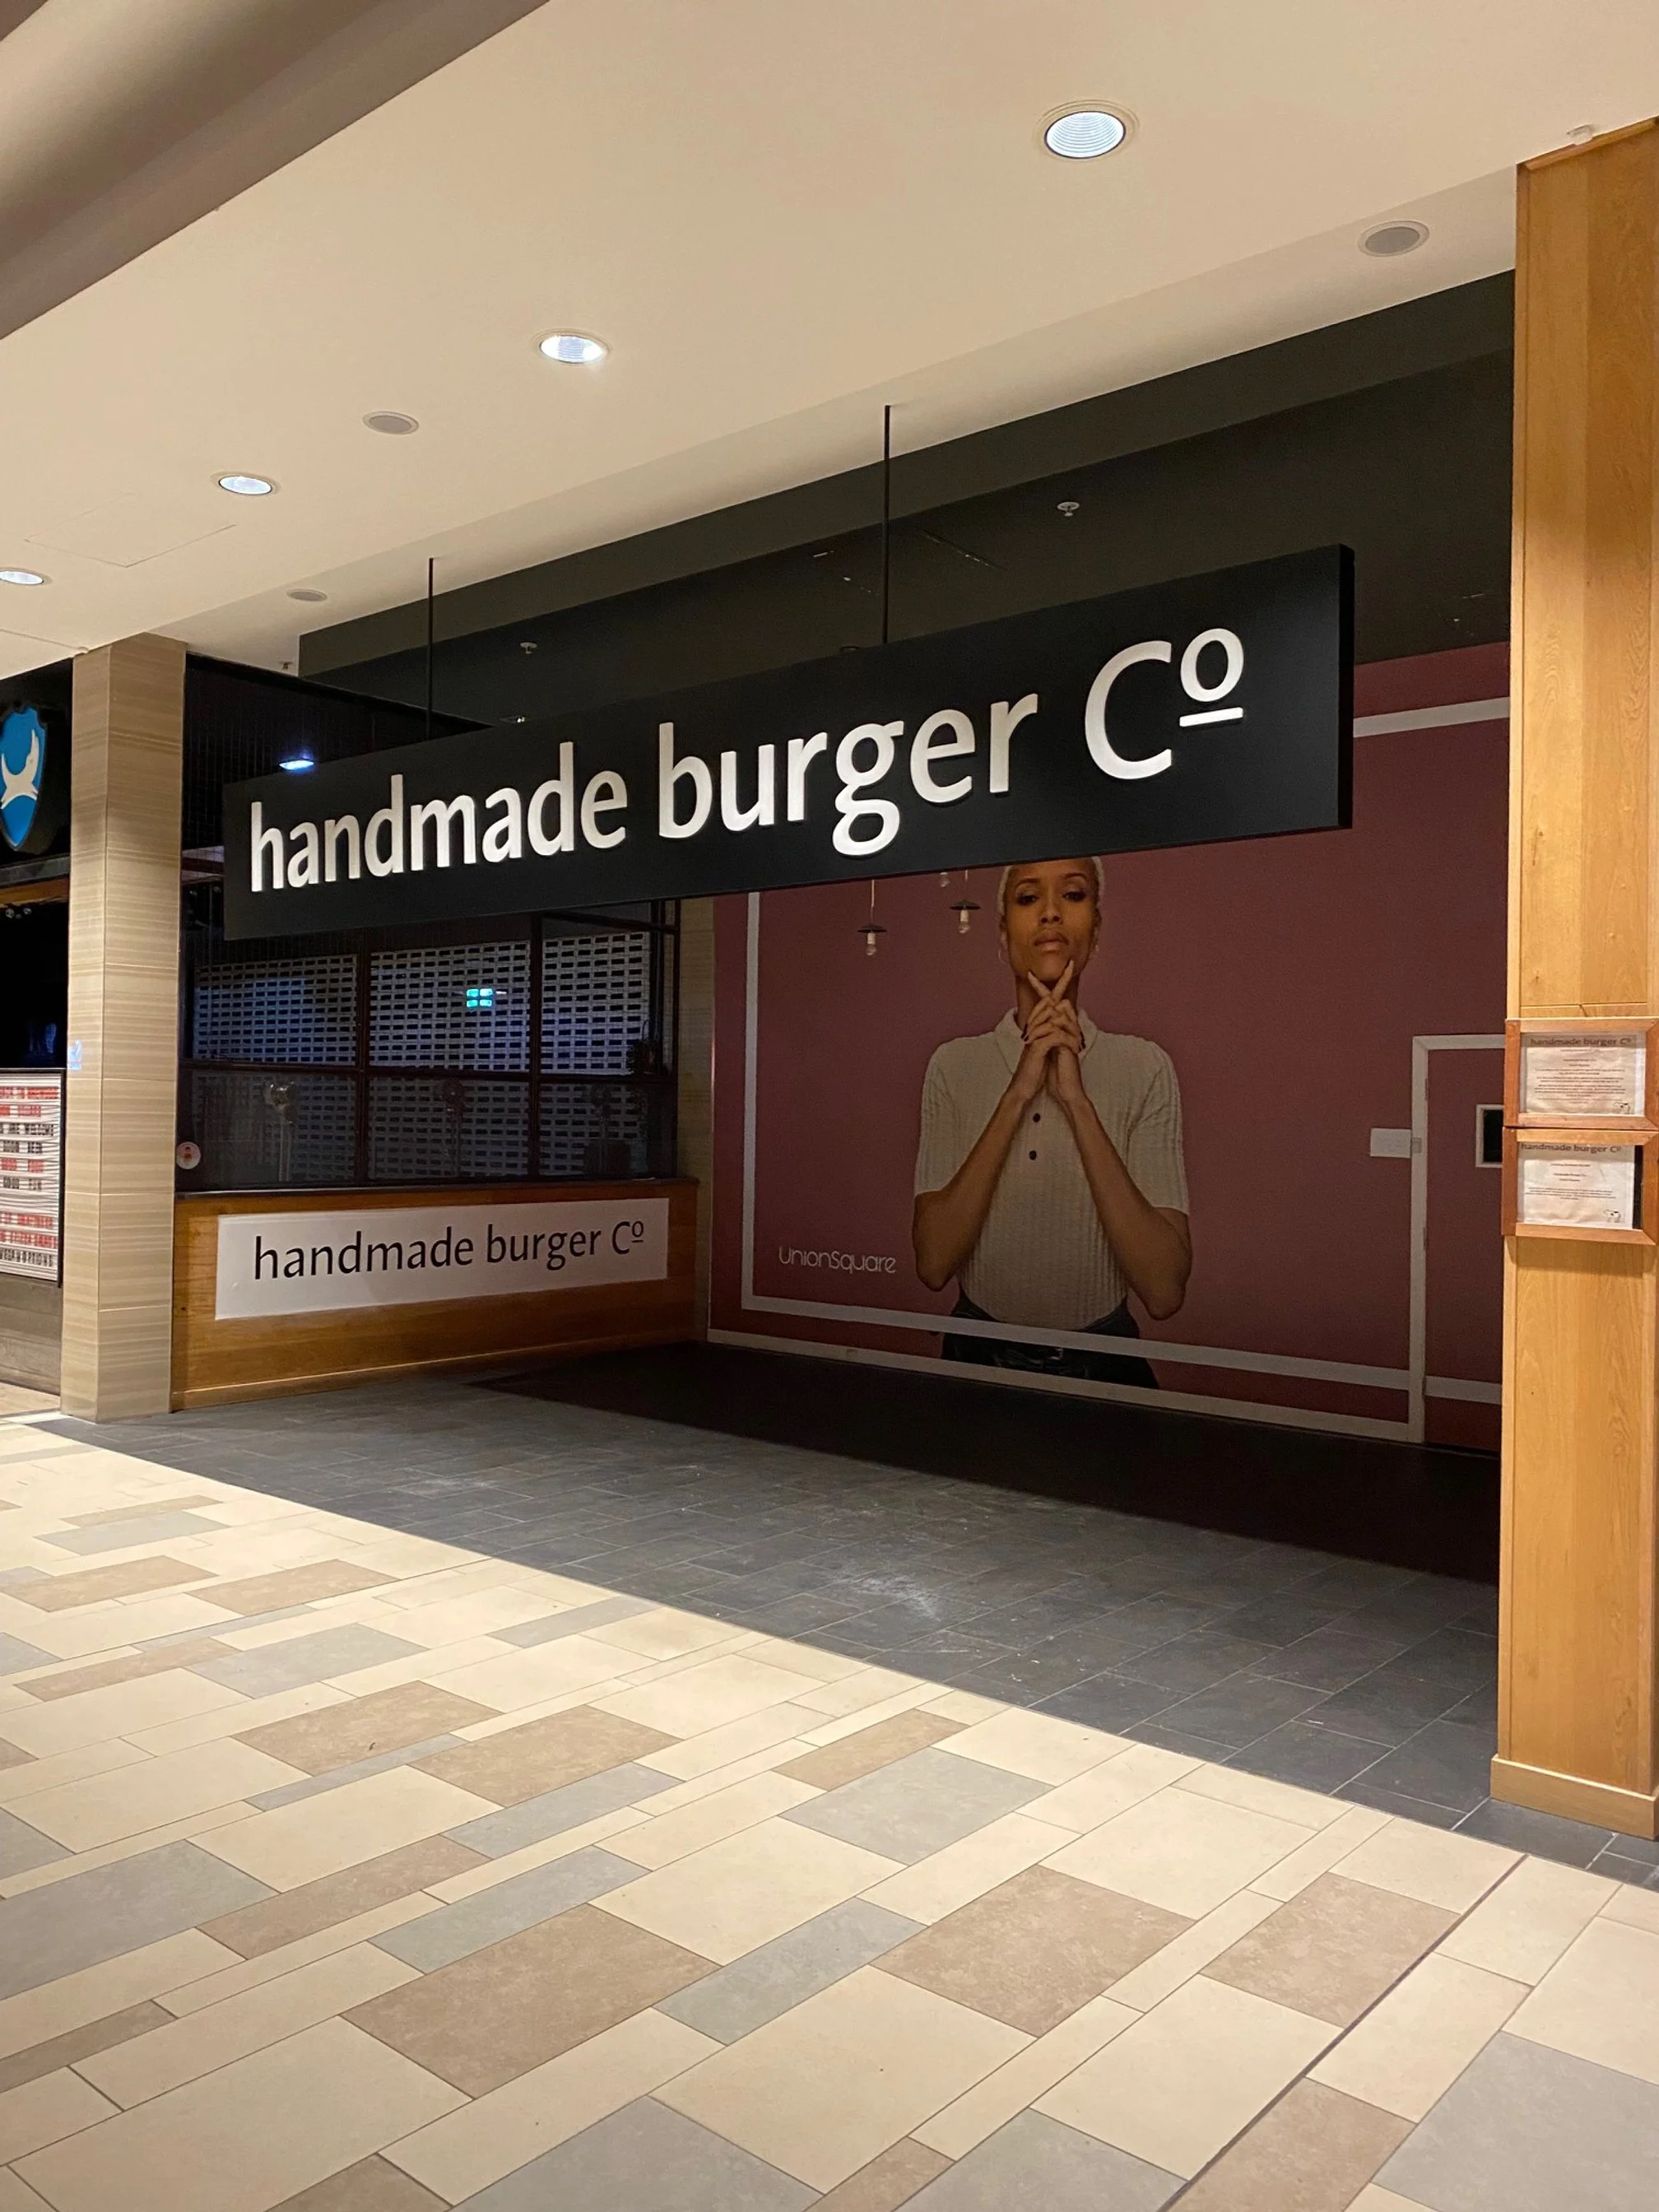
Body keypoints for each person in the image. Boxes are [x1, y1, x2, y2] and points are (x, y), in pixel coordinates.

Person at [912, 855, 1191, 1387]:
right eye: (1026, 898)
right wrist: (1019, 1092)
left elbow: (1164, 1292)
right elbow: (933, 1264)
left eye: (1074, 895)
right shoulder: (953, 1065)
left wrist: (1077, 1102)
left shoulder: (1145, 1067)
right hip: (976, 1363)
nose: (1050, 914)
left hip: (1105, 1370)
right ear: (1002, 935)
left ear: (1097, 931)